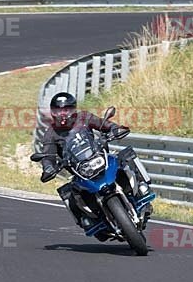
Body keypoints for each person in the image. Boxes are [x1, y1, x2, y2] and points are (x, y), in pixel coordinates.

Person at [38, 92, 130, 229]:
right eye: (58, 111)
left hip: (98, 157)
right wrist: (48, 167)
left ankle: (140, 189)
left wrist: (114, 129)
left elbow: (103, 124)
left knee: (124, 159)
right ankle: (88, 221)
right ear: (52, 112)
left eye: (66, 110)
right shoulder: (50, 134)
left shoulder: (84, 117)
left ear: (73, 109)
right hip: (80, 170)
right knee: (69, 193)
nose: (62, 114)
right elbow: (47, 156)